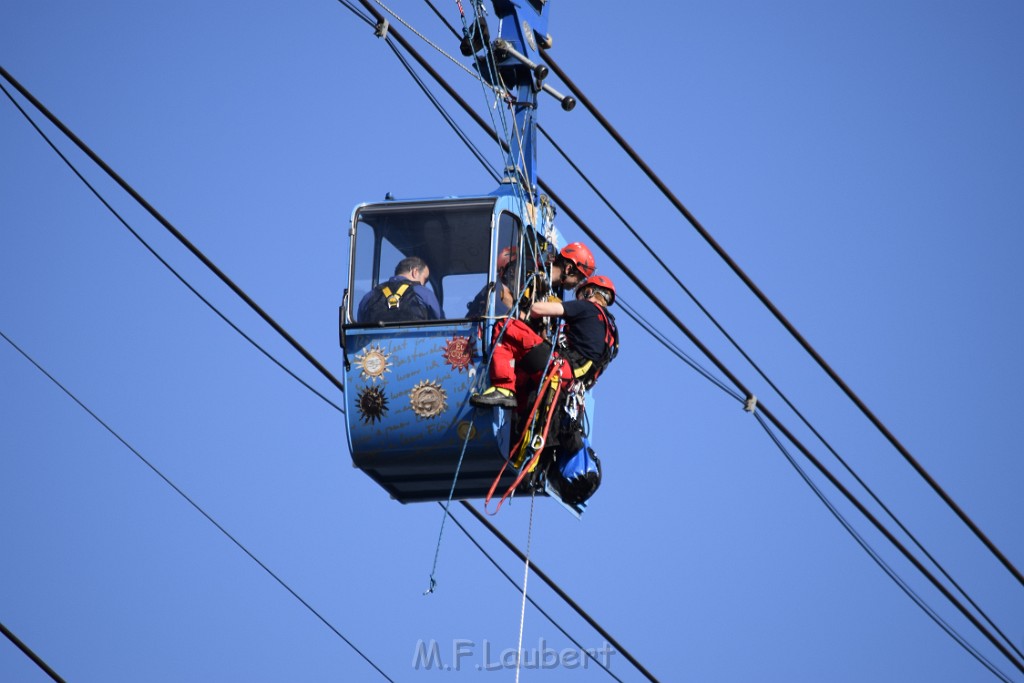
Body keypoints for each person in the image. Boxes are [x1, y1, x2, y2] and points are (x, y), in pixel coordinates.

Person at [470, 274, 618, 409]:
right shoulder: (610, 330)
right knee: (523, 380)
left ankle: (503, 387)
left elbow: (536, 309)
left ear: (589, 292)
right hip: (570, 383)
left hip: (560, 368)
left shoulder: (587, 307)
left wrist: (538, 306)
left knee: (507, 326)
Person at [357, 255, 444, 323]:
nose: (424, 285)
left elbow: (360, 327)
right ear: (415, 272)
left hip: (376, 346)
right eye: (425, 280)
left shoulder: (369, 297)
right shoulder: (424, 293)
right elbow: (442, 322)